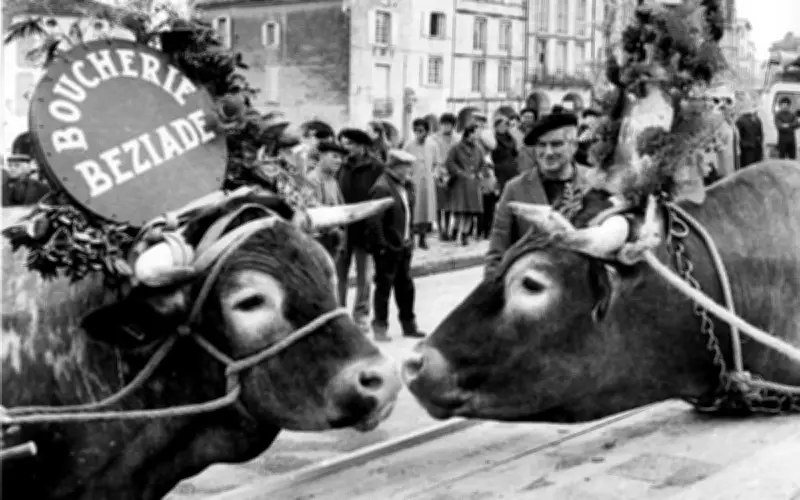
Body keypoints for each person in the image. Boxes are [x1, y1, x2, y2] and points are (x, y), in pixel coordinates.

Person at [485, 112, 595, 277]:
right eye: (541, 145)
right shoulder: (515, 189)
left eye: (556, 144)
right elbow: (496, 255)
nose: (548, 152)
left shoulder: (594, 184)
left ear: (573, 146)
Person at [366, 149, 426, 342]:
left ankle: (409, 325)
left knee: (406, 288)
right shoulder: (382, 187)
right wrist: (381, 246)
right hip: (389, 248)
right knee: (383, 288)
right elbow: (374, 221)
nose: (409, 170)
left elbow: (407, 213)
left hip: (403, 245)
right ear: (395, 167)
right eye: (406, 166)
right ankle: (380, 327)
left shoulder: (405, 186)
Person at [336, 127, 385, 333]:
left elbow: (380, 195)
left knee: (364, 275)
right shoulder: (341, 165)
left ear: (362, 146)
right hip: (343, 226)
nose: (346, 148)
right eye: (343, 144)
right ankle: (339, 314)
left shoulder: (376, 167)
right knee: (340, 274)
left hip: (365, 226)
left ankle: (361, 315)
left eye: (350, 144)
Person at [444, 124, 485, 245]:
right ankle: (455, 230)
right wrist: (459, 172)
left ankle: (465, 234)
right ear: (470, 133)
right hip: (460, 183)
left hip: (473, 184)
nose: (478, 135)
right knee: (459, 211)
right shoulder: (456, 148)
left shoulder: (478, 149)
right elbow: (449, 162)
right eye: (476, 132)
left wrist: (480, 173)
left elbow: (483, 164)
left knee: (470, 211)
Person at [403, 118, 440, 249]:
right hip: (413, 182)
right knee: (413, 210)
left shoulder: (433, 145)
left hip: (427, 183)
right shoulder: (408, 145)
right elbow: (404, 163)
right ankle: (411, 238)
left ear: (427, 132)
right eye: (416, 131)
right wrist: (407, 177)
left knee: (425, 210)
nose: (419, 134)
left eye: (421, 131)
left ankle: (423, 239)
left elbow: (436, 163)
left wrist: (434, 174)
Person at [434, 113, 460, 241]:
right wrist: (437, 172)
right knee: (439, 205)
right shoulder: (434, 139)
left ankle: (449, 228)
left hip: (452, 174)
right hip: (438, 172)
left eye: (448, 125)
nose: (445, 127)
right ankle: (441, 230)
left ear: (453, 126)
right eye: (443, 124)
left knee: (449, 205)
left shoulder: (457, 139)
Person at [735, 95, 764, 168]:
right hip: (757, 147)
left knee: (747, 168)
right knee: (756, 168)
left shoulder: (740, 120)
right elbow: (761, 135)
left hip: (746, 149)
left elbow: (738, 137)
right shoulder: (757, 119)